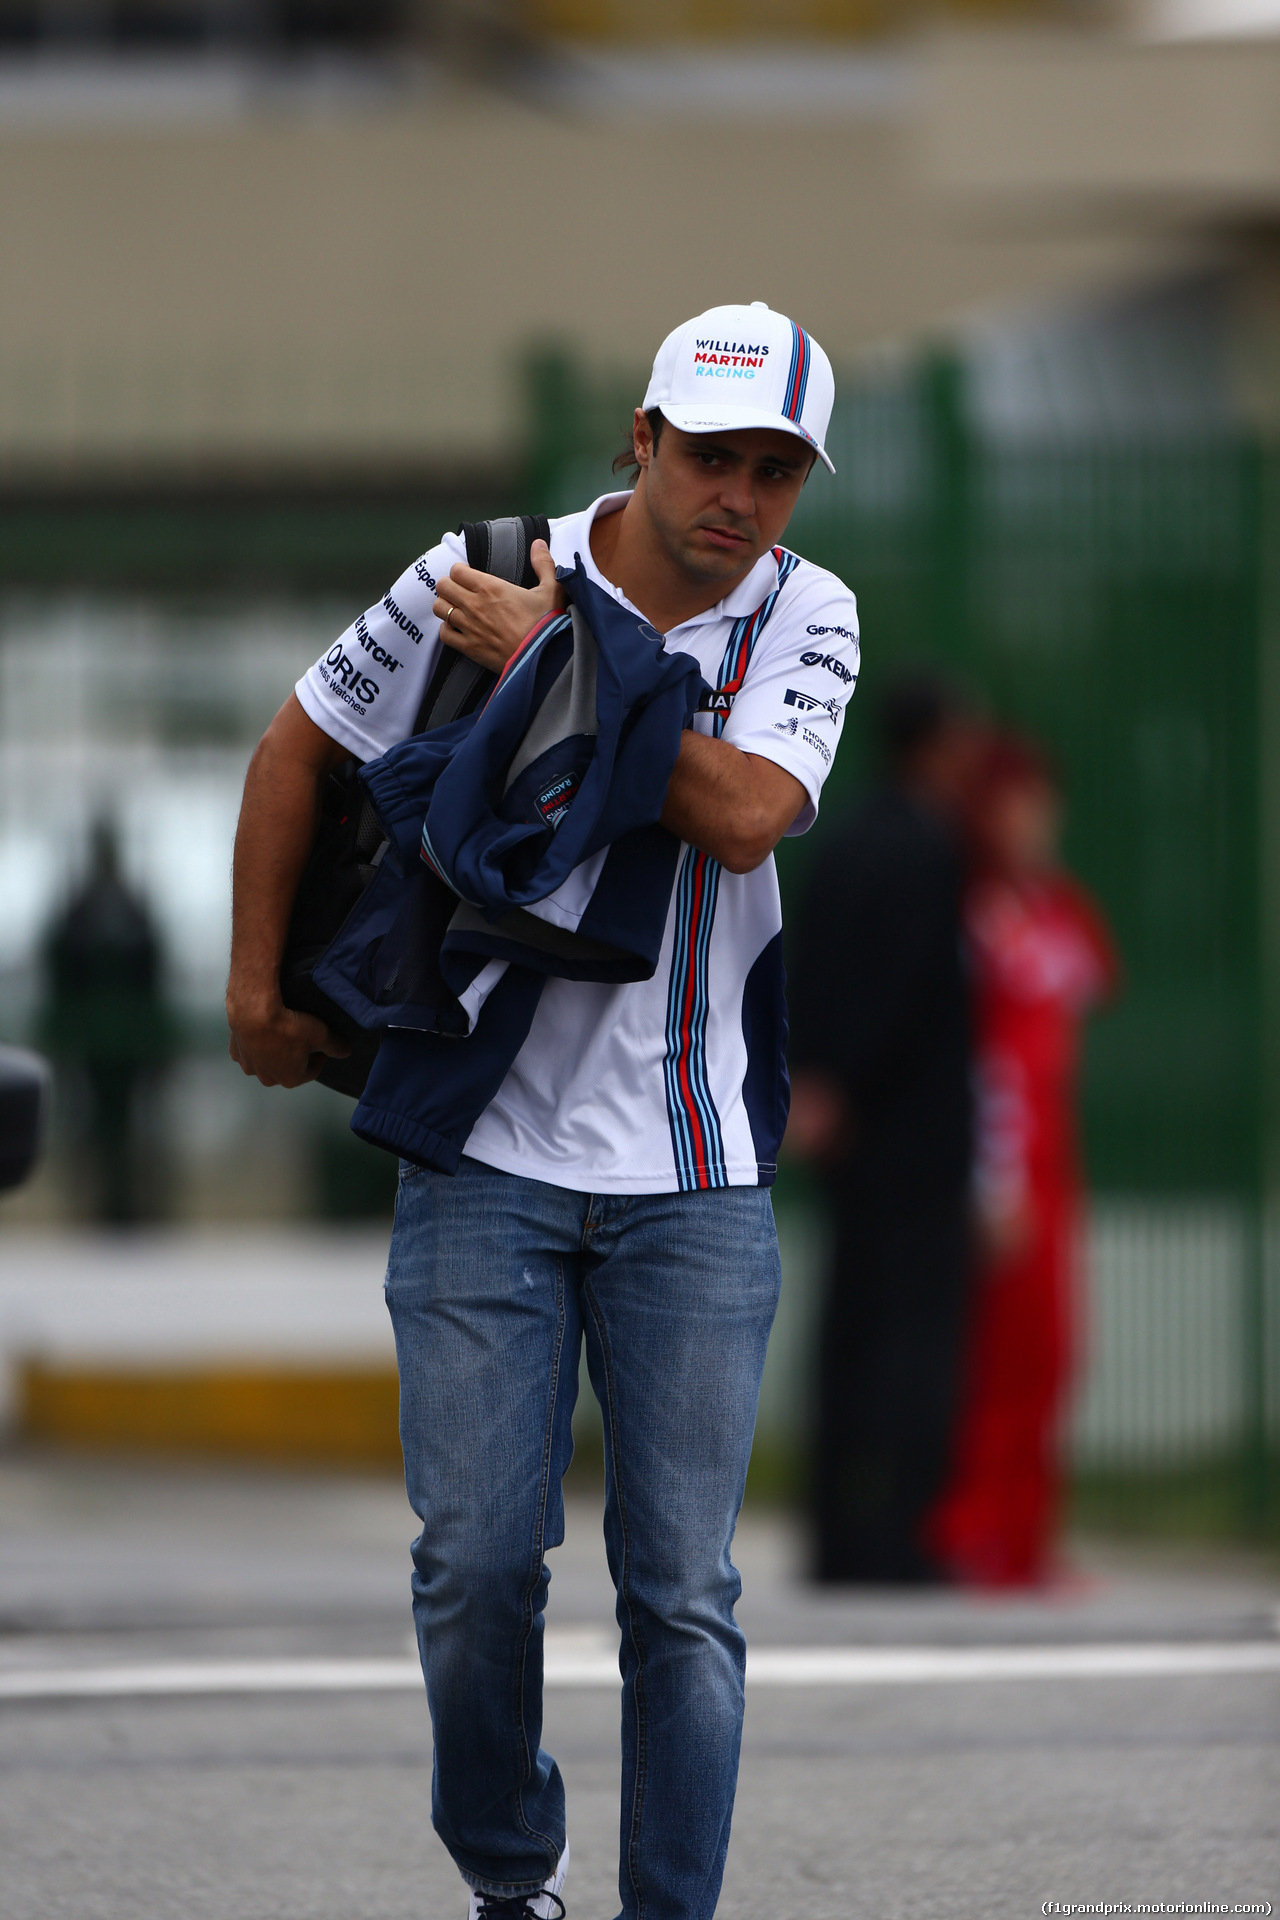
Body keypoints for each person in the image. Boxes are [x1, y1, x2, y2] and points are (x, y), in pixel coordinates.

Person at [225, 302, 859, 1920]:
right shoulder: (479, 570)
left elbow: (745, 816)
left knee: (685, 1597)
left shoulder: (807, 613)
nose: (740, 495)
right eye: (711, 454)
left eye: (777, 469)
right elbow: (296, 749)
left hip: (698, 1176)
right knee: (476, 1571)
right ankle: (514, 1869)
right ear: (640, 443)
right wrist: (250, 990)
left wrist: (575, 660)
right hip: (483, 1155)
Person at [787, 673, 979, 1583]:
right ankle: (898, 1533)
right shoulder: (931, 849)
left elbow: (811, 965)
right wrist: (850, 1081)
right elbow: (906, 992)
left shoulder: (844, 837)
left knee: (847, 1334)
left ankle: (836, 1531)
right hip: (913, 1134)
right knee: (911, 1344)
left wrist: (818, 1084)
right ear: (934, 746)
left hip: (847, 1136)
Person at [924, 732, 1118, 1588]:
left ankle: (1032, 1536)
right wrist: (993, 1182)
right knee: (997, 1354)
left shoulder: (1052, 906)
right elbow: (988, 1063)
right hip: (1010, 1160)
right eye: (1020, 803)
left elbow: (1094, 978)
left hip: (1057, 1156)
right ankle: (979, 1532)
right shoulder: (976, 914)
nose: (1039, 820)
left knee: (1053, 1349)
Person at [38, 817, 173, 1224]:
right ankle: (107, 1203)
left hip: (125, 1040)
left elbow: (150, 971)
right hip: (98, 1039)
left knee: (125, 1122)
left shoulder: (113, 910)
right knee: (98, 1121)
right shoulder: (98, 910)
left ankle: (126, 1203)